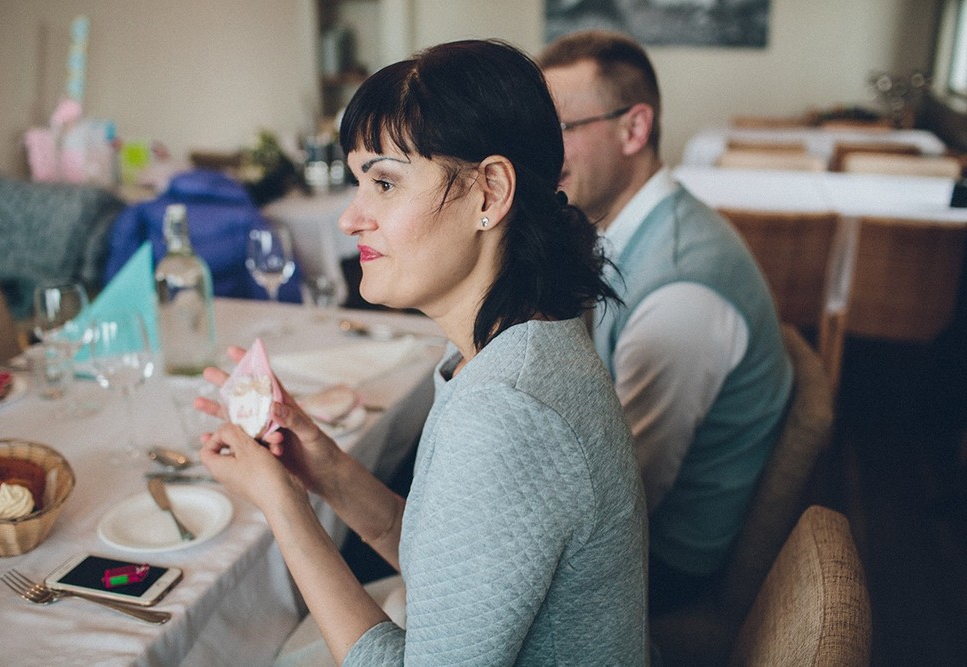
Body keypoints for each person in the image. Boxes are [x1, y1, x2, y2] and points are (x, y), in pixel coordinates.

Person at [198, 39, 649, 665]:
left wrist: (283, 507)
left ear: (490, 193)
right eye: (361, 182)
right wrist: (324, 469)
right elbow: (444, 561)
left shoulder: (506, 413)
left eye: (384, 182)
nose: (350, 219)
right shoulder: (518, 344)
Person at [538, 30, 794, 613]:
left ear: (635, 128)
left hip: (662, 566)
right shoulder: (636, 232)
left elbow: (622, 503)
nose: (541, 155)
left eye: (560, 130)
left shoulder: (678, 292)